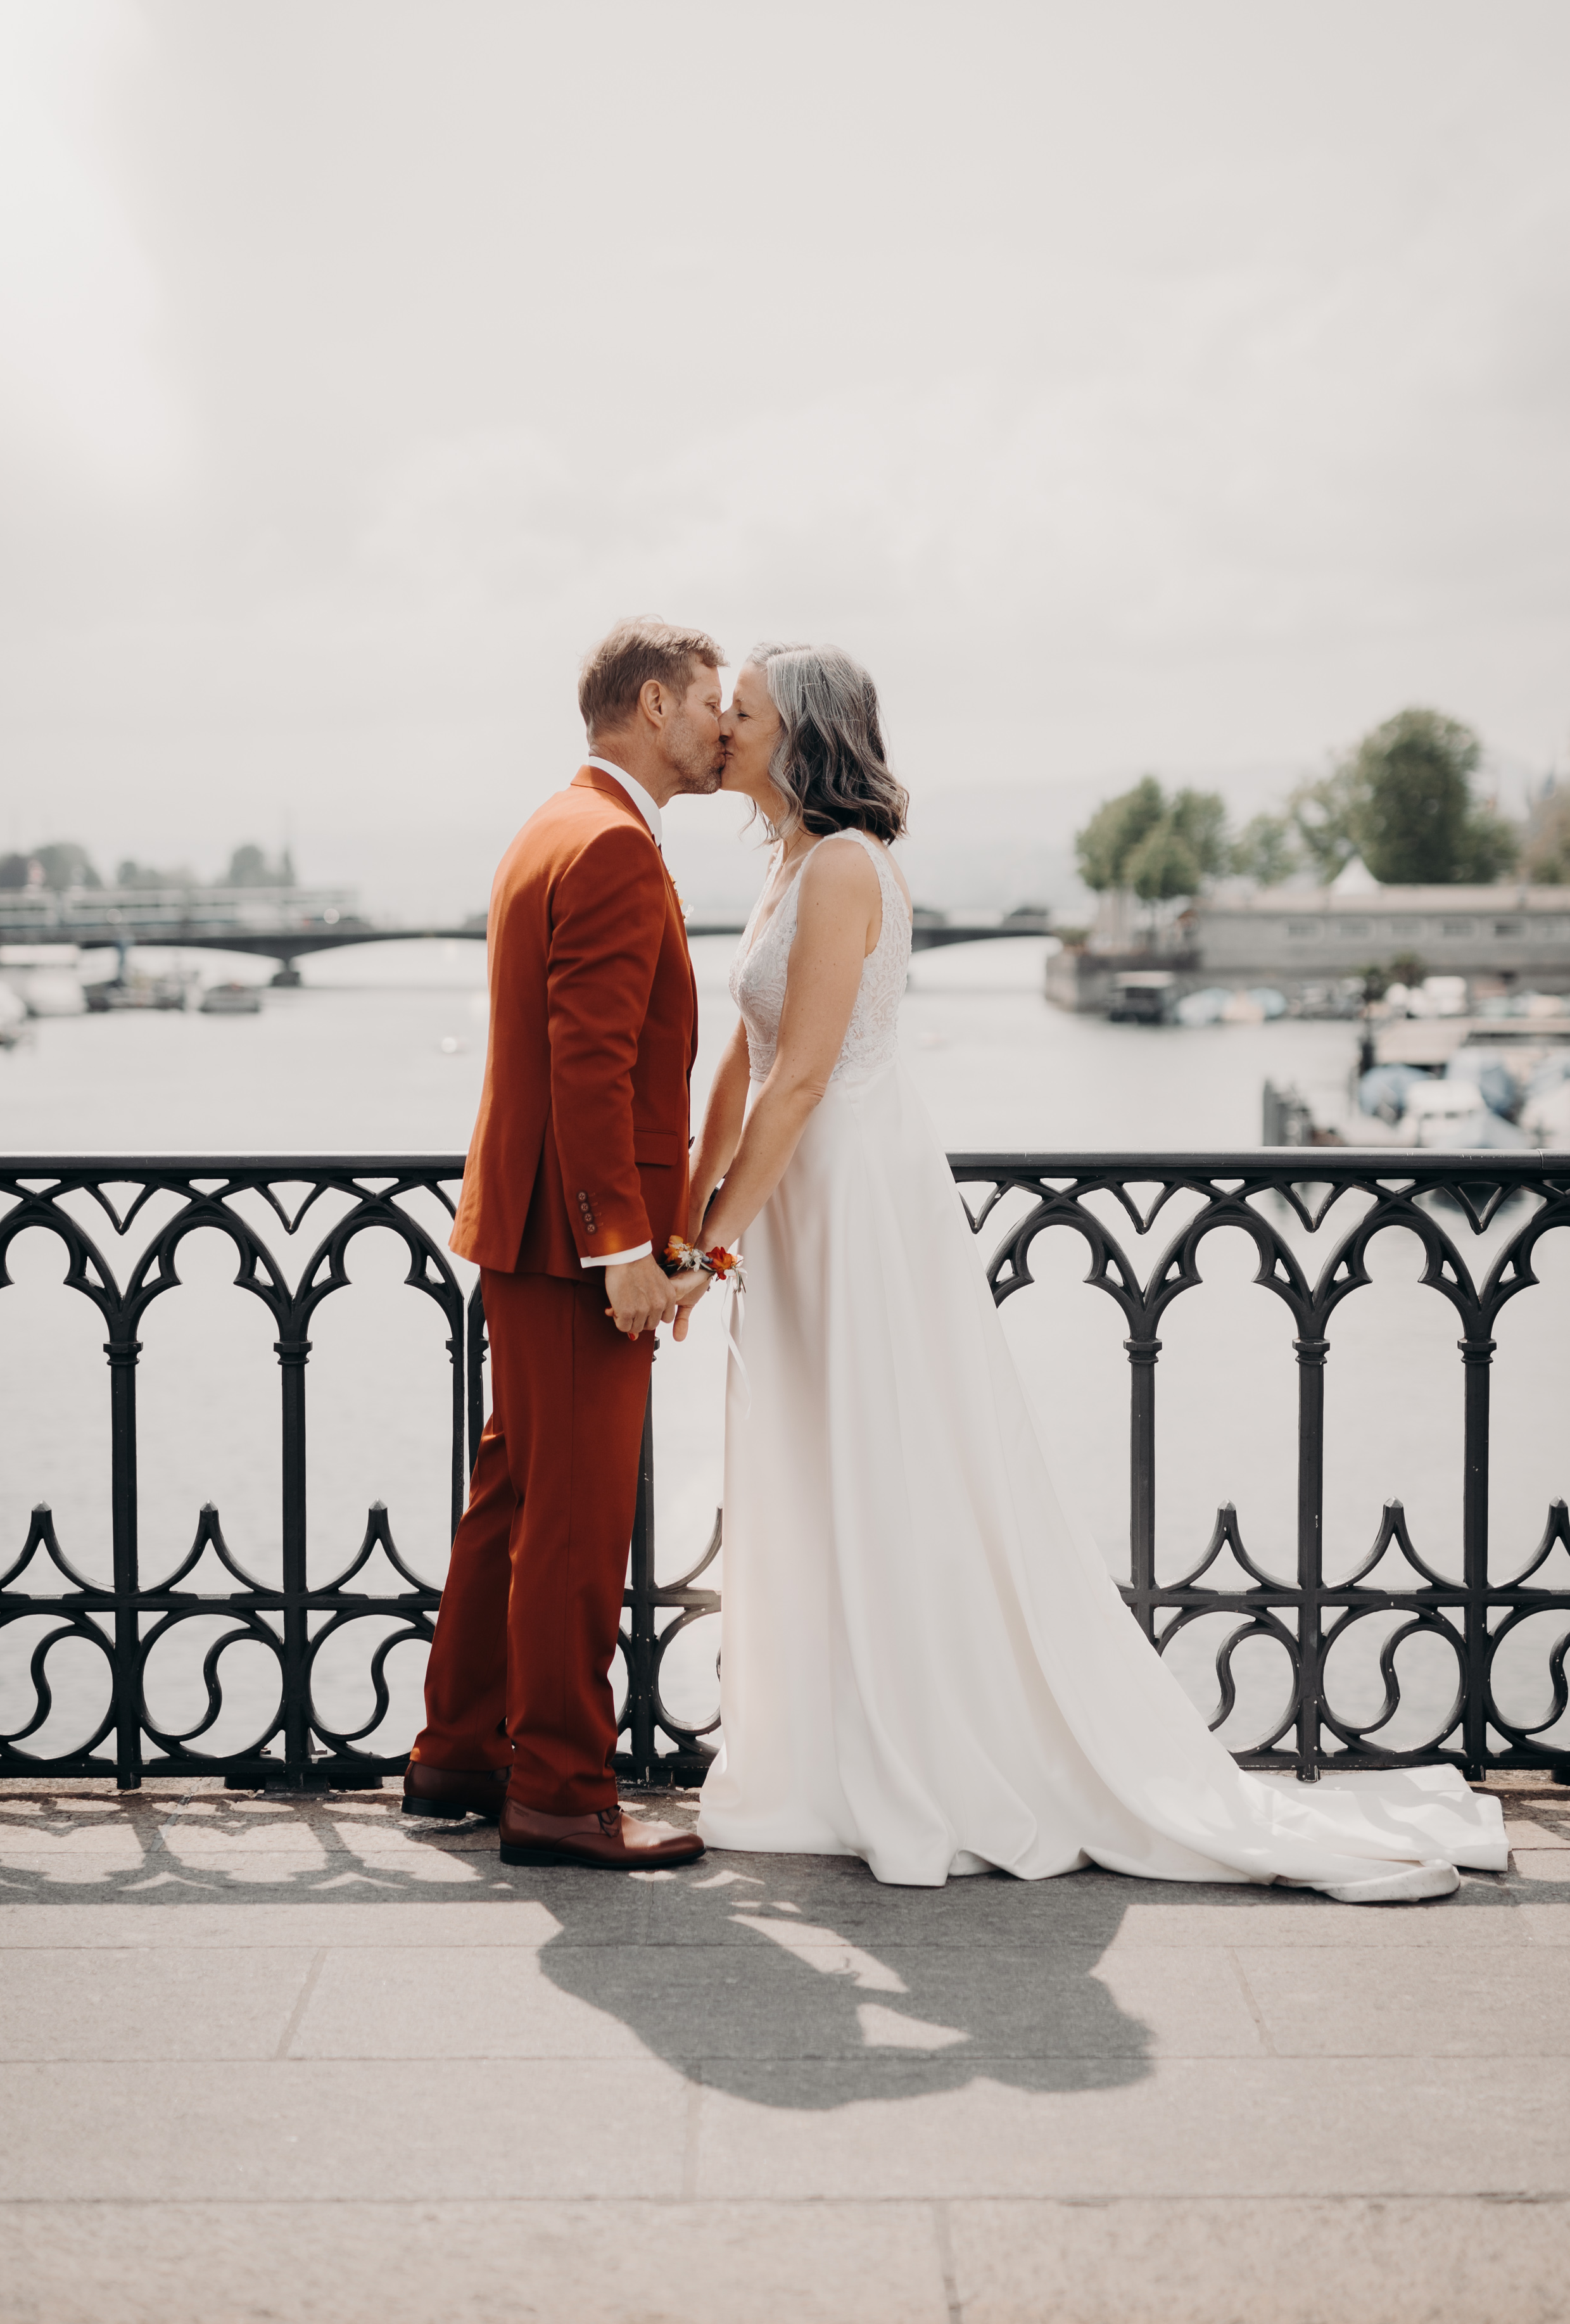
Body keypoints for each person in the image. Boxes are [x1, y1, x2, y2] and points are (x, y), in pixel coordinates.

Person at [688, 641, 1506, 1900]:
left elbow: (799, 1076)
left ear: (799, 737)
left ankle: (910, 1747)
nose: (719, 730)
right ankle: (823, 1740)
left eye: (738, 714)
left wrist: (712, 1237)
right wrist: (700, 1212)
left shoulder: (845, 866)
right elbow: (738, 1065)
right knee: (815, 1450)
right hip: (795, 1195)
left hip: (846, 1190)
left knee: (878, 1447)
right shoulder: (789, 862)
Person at [404, 617, 719, 1872]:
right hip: (573, 1242)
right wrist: (621, 1247)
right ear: (651, 702)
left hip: (522, 1228)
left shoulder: (551, 824)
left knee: (515, 1499)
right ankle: (563, 1793)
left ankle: (458, 1755)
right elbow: (588, 1066)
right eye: (707, 700)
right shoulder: (612, 848)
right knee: (576, 1527)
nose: (720, 723)